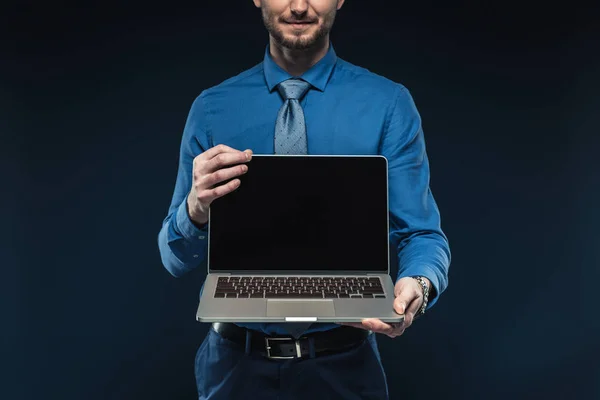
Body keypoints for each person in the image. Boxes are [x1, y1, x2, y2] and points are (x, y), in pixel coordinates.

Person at [158, 0, 451, 398]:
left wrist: (418, 284)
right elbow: (175, 258)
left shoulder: (388, 106)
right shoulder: (211, 110)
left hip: (346, 372)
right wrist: (194, 209)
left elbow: (422, 234)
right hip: (233, 372)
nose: (298, 6)